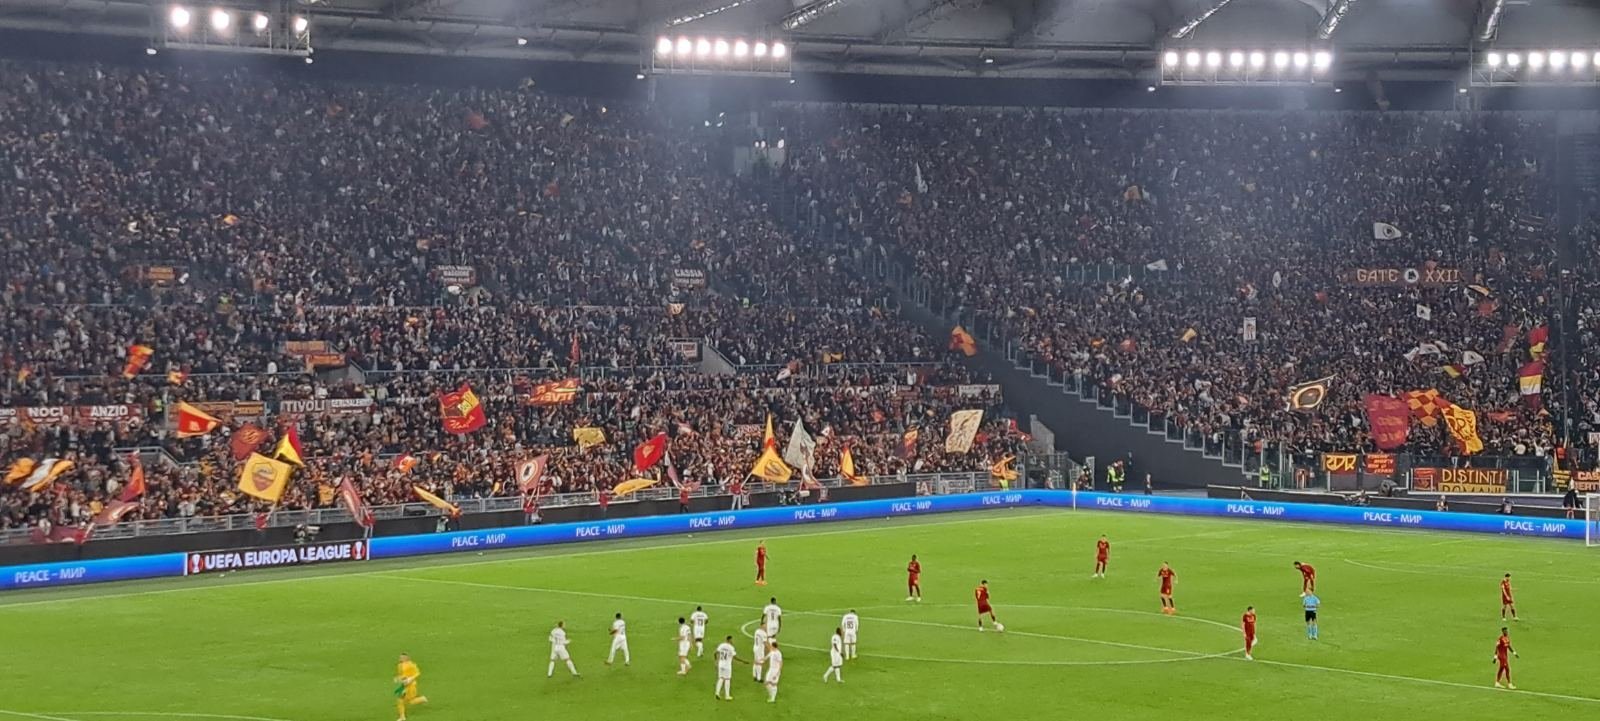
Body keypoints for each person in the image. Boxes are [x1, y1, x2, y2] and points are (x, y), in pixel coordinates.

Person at [393, 653, 427, 721]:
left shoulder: (411, 665)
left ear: (407, 658)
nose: (400, 658)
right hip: (404, 685)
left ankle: (422, 699)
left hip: (411, 686)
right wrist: (398, 678)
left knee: (411, 701)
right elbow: (402, 675)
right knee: (400, 700)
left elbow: (417, 673)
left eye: (402, 657)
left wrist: (410, 679)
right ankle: (402, 717)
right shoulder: (400, 665)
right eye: (400, 657)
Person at [713, 635, 745, 701]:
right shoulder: (731, 647)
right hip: (727, 666)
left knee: (721, 678)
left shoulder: (721, 645)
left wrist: (716, 661)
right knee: (727, 679)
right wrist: (743, 661)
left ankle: (717, 693)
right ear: (729, 640)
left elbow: (715, 653)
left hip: (721, 664)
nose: (732, 641)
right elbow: (735, 657)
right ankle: (727, 696)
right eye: (731, 640)